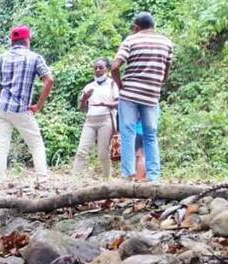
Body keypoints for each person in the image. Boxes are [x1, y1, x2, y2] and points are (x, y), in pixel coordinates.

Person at [0, 25, 54, 180]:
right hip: (21, 109)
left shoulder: (0, 58)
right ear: (27, 40)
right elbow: (49, 80)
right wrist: (38, 105)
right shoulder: (34, 58)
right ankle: (42, 178)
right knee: (36, 143)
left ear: (12, 41)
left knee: (2, 146)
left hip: (1, 107)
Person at [111, 12, 174, 181]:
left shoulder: (131, 40)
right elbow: (165, 73)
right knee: (150, 135)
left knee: (128, 132)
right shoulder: (167, 43)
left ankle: (128, 175)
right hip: (151, 96)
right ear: (153, 26)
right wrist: (154, 86)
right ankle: (154, 177)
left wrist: (121, 86)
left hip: (129, 94)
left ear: (136, 27)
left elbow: (114, 67)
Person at [73, 58, 119, 177]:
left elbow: (119, 103)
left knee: (103, 153)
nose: (97, 70)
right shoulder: (89, 86)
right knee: (81, 151)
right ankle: (75, 179)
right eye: (95, 68)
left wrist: (105, 104)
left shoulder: (113, 84)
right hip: (90, 121)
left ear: (107, 69)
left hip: (106, 120)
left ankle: (107, 179)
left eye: (101, 67)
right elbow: (83, 109)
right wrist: (84, 99)